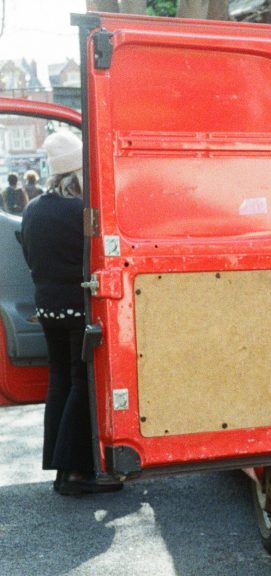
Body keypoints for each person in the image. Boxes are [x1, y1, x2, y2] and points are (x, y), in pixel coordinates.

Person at [20, 130, 120, 496]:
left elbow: (30, 258)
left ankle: (59, 469)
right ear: (77, 172)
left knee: (58, 381)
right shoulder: (82, 211)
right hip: (79, 306)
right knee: (81, 382)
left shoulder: (32, 208)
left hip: (46, 308)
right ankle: (77, 472)